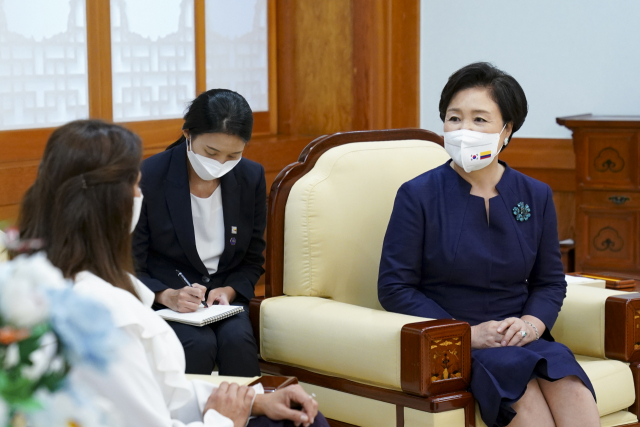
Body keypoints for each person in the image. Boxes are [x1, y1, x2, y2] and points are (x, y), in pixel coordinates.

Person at [18, 120, 328, 427]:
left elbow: (157, 394)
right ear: (114, 204)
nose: (140, 195)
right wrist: (225, 420)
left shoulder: (31, 281)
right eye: (136, 186)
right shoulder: (106, 314)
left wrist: (253, 400)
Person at [377, 63, 599, 427]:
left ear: (507, 130)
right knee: (527, 403)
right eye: (454, 118)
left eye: (479, 120)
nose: (464, 131)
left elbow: (549, 282)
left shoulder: (535, 194)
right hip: (457, 341)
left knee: (573, 389)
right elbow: (394, 287)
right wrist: (465, 332)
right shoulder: (417, 195)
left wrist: (531, 324)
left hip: (523, 336)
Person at [132, 89, 265, 376]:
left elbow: (253, 258)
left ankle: (249, 418)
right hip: (166, 301)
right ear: (188, 135)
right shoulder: (150, 176)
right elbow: (130, 263)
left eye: (233, 155)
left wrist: (228, 291)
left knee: (237, 341)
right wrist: (166, 295)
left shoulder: (250, 177)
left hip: (222, 302)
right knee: (196, 343)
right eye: (211, 153)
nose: (220, 164)